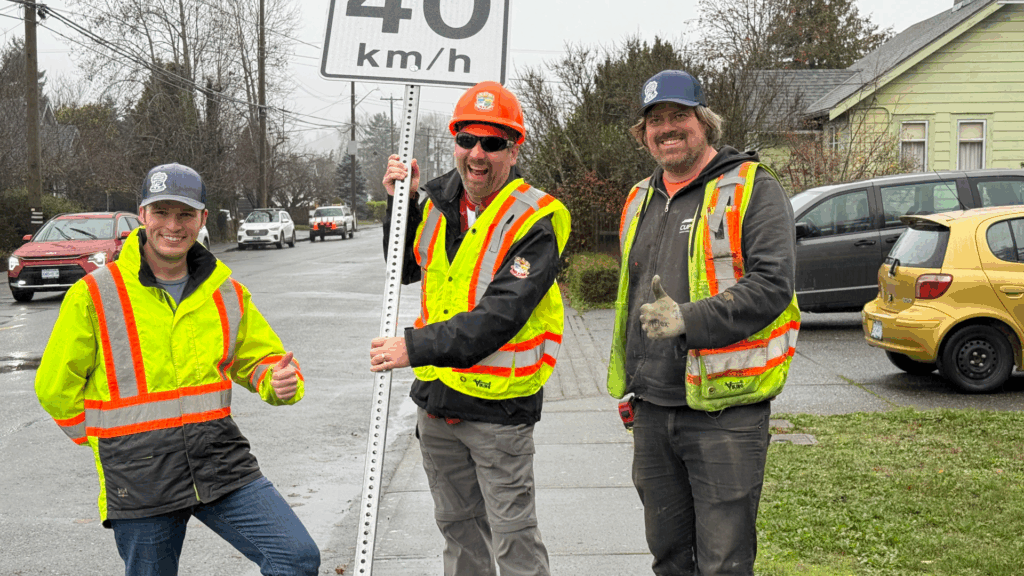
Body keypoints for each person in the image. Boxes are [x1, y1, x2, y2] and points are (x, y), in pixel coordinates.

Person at [35, 163, 320, 576]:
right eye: (162, 212)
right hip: (139, 476)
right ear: (143, 215)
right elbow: (54, 388)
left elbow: (261, 360)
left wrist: (279, 381)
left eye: (185, 214)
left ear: (202, 219)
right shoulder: (95, 294)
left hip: (220, 461)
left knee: (296, 558)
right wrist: (102, 442)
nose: (173, 225)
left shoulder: (226, 292)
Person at [370, 81, 571, 576]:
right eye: (468, 140)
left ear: (514, 147)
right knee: (460, 538)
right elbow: (404, 270)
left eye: (493, 142)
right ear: (454, 141)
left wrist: (412, 347)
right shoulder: (438, 204)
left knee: (514, 543)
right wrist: (404, 203)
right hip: (438, 408)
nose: (477, 154)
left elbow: (500, 316)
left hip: (499, 411)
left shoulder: (539, 217)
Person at [606, 70, 800, 575]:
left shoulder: (753, 188)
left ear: (704, 123)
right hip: (652, 411)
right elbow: (632, 302)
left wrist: (688, 319)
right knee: (668, 557)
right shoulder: (638, 198)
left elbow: (773, 286)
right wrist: (633, 387)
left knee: (724, 563)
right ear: (643, 133)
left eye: (678, 117)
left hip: (726, 413)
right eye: (655, 121)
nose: (666, 129)